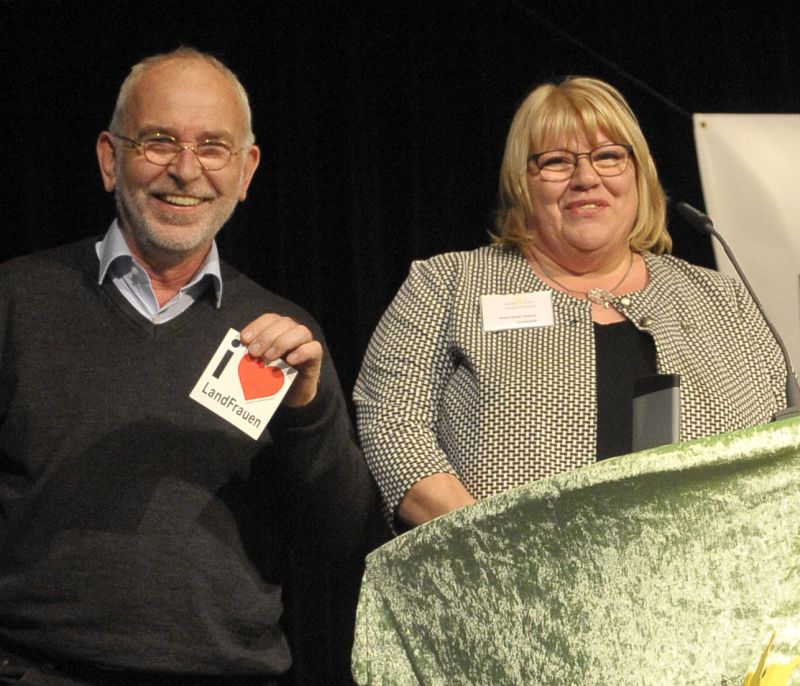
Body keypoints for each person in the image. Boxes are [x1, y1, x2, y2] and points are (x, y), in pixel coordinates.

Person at [0, 47, 374, 684]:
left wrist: (308, 413)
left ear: (246, 170)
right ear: (109, 158)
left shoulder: (285, 337)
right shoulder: (16, 300)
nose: (185, 169)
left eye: (213, 147)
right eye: (158, 141)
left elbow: (339, 543)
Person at [354, 76, 788, 531]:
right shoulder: (447, 285)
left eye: (608, 157)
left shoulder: (722, 299)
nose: (586, 178)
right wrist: (490, 546)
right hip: (506, 584)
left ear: (640, 174)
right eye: (557, 162)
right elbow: (393, 425)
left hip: (704, 584)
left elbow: (777, 448)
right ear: (522, 183)